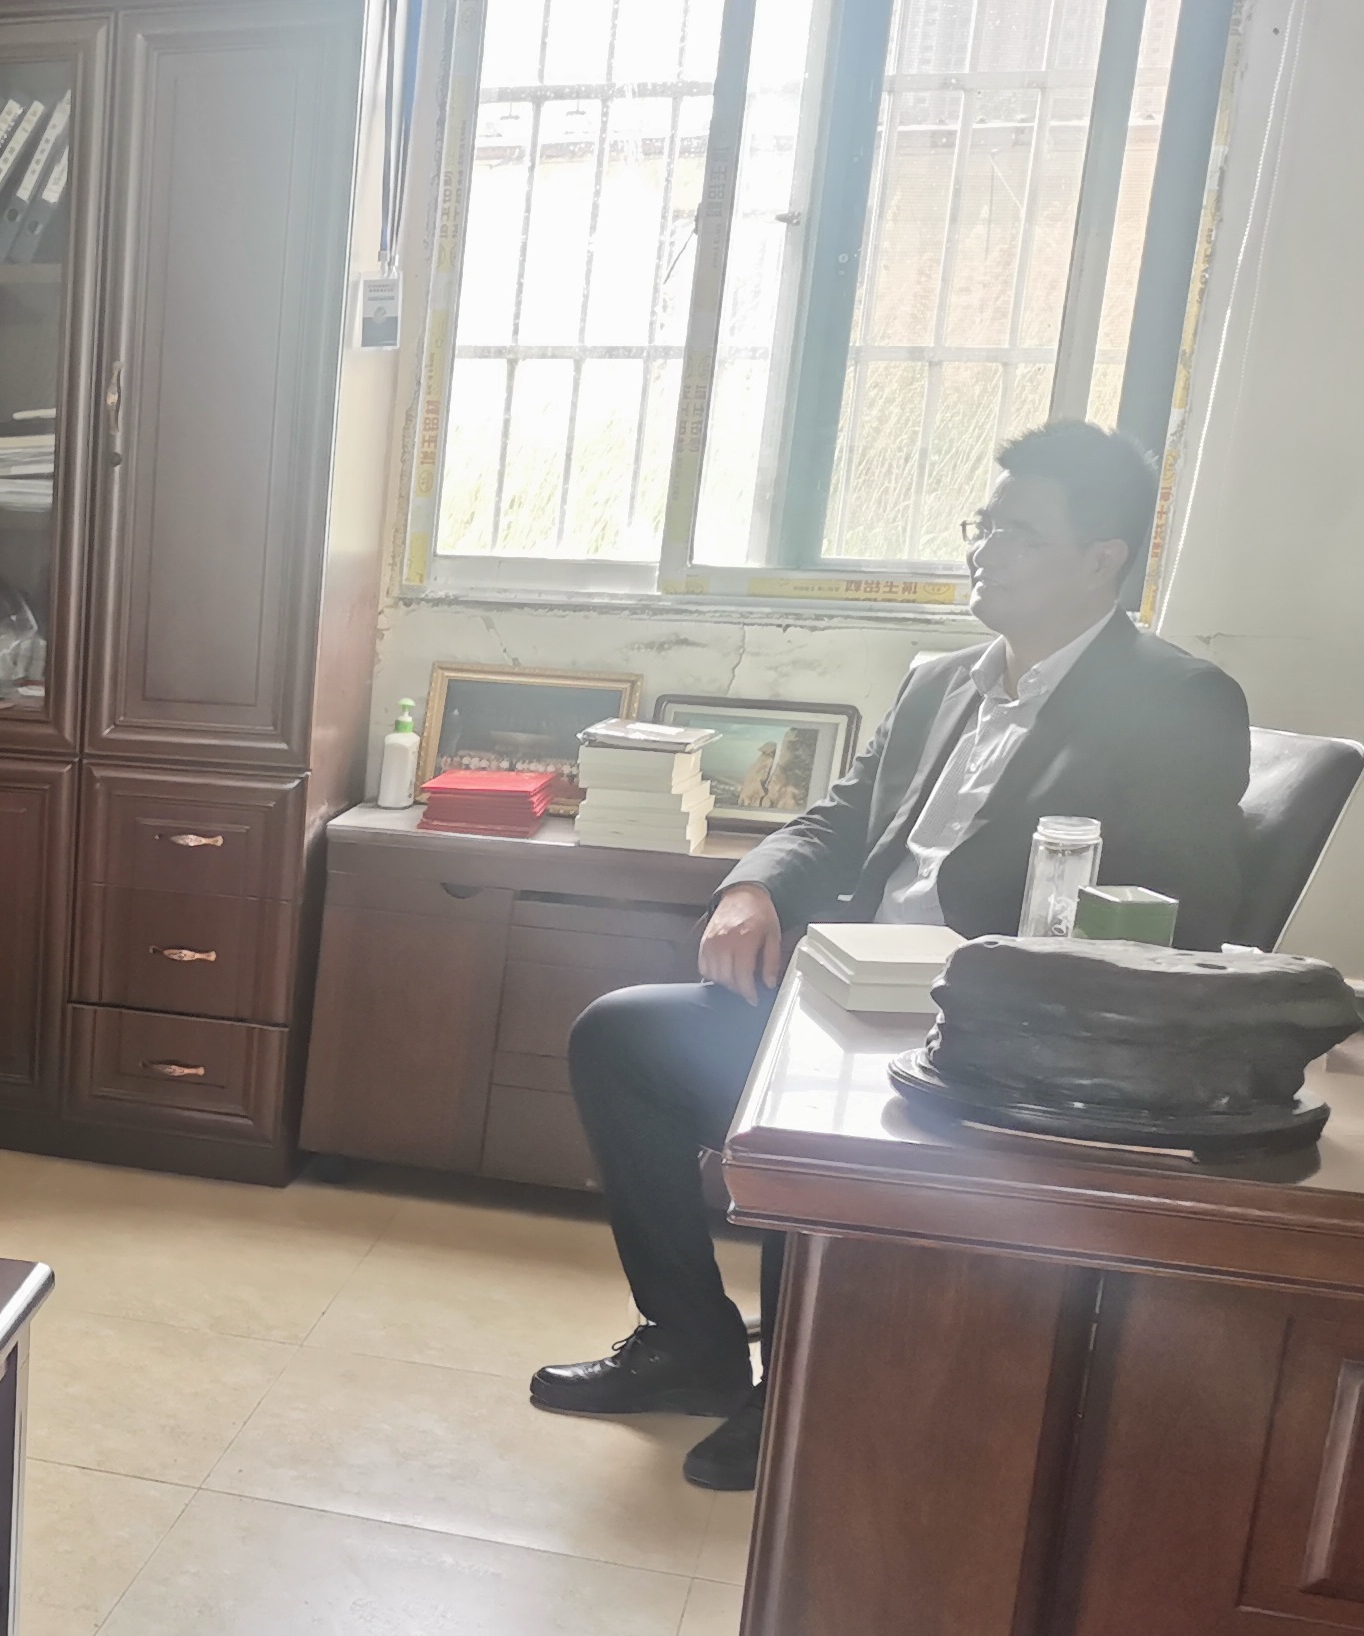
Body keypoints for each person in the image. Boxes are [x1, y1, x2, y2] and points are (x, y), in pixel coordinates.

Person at [530, 420, 1250, 1491]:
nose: (984, 549)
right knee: (620, 1038)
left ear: (1102, 557)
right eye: (981, 524)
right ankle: (690, 1341)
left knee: (805, 1104)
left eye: (1018, 531)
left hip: (995, 1039)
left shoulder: (1173, 700)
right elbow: (836, 819)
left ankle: (803, 1382)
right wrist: (751, 887)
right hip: (849, 992)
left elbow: (1186, 913)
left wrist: (1003, 975)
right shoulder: (939, 681)